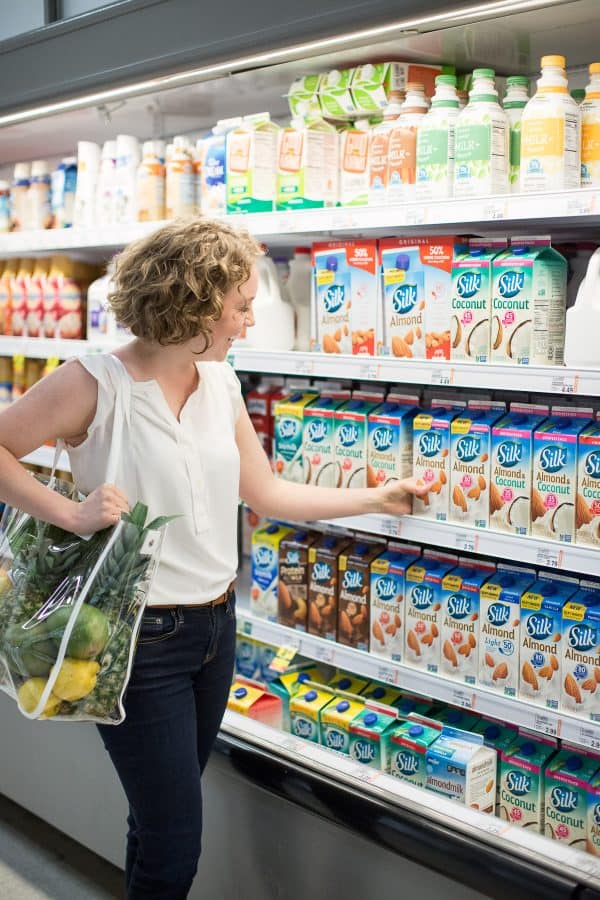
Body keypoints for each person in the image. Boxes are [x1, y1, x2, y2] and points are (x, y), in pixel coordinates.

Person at [0, 217, 429, 900]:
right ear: (192, 301)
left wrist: (378, 497)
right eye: (240, 304)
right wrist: (70, 514)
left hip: (213, 630)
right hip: (138, 641)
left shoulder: (222, 384)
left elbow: (265, 493)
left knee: (160, 822)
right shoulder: (94, 384)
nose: (250, 319)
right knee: (176, 842)